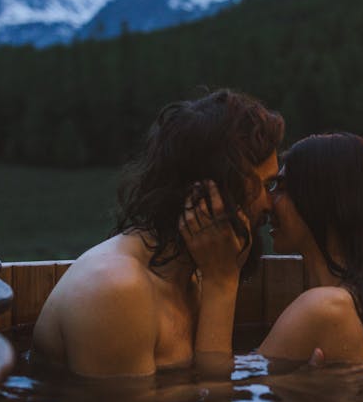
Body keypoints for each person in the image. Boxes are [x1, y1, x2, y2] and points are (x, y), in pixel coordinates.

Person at [32, 90, 283, 377]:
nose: (269, 203)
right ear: (214, 191)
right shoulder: (117, 290)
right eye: (266, 185)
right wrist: (222, 284)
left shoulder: (193, 272)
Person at [189, 132, 363, 367]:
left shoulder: (324, 308)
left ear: (326, 201)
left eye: (282, 187)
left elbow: (215, 390)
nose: (269, 202)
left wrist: (221, 278)